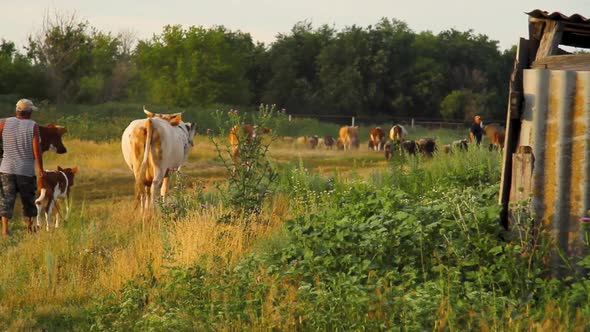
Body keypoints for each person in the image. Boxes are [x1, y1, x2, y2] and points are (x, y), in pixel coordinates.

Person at [0, 99, 45, 235]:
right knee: (28, 199)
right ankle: (29, 228)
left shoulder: (3, 123)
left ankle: (5, 230)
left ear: (17, 110)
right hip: (25, 170)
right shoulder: (33, 126)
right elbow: (36, 148)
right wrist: (40, 168)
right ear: (29, 112)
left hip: (6, 168)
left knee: (6, 199)